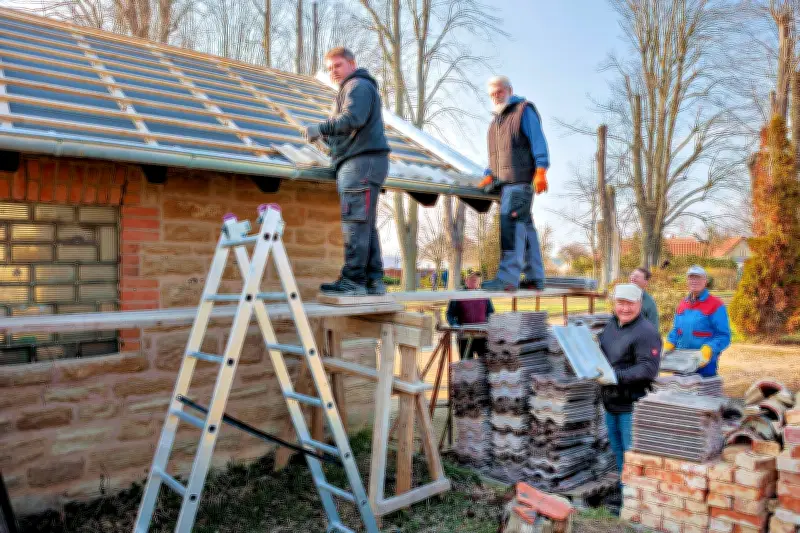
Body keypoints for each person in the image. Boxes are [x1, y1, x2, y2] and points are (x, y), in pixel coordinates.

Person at [305, 47, 390, 296]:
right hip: (366, 161)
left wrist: (321, 128)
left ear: (352, 64)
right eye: (329, 68)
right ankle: (374, 281)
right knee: (366, 224)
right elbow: (351, 128)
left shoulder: (357, 86)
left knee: (354, 222)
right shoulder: (355, 88)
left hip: (361, 163)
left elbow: (352, 118)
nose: (333, 72)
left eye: (338, 66)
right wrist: (329, 143)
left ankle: (353, 281)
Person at [479, 75, 550, 292]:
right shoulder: (495, 123)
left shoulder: (523, 111)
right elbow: (496, 156)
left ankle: (507, 278)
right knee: (525, 228)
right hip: (505, 184)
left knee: (510, 227)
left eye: (499, 91)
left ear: (509, 90)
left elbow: (538, 141)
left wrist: (541, 170)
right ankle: (535, 276)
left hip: (520, 181)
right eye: (492, 94)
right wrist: (489, 173)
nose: (496, 96)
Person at [596, 284, 661, 475]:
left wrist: (615, 377)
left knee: (632, 457)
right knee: (618, 454)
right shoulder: (611, 326)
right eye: (620, 303)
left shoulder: (646, 332)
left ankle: (633, 500)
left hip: (632, 407)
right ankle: (625, 495)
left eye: (630, 304)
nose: (624, 308)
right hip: (611, 403)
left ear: (640, 304)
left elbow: (648, 369)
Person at [664, 265, 732, 377]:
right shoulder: (682, 304)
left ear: (705, 281)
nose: (694, 281)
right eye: (691, 278)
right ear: (687, 281)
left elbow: (724, 336)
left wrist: (709, 348)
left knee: (703, 393)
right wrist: (670, 343)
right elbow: (677, 330)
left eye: (698, 278)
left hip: (705, 364)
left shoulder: (716, 305)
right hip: (681, 362)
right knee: (679, 393)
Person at [446, 271, 494, 359]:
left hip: (482, 335)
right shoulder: (458, 295)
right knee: (467, 364)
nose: (474, 281)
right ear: (466, 280)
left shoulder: (484, 295)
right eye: (471, 279)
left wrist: (491, 325)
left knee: (486, 364)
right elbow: (450, 314)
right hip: (465, 336)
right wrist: (455, 325)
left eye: (476, 279)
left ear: (479, 281)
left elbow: (491, 313)